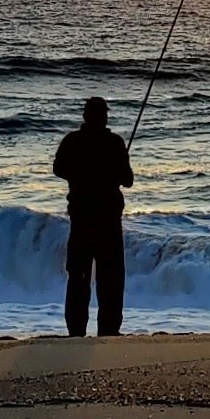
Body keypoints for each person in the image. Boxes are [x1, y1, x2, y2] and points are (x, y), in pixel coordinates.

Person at [52, 95, 134, 336]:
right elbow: (128, 180)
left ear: (85, 116)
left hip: (81, 218)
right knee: (110, 278)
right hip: (107, 220)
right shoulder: (114, 143)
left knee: (78, 276)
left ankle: (76, 330)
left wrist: (80, 174)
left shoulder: (73, 141)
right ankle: (109, 330)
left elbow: (58, 169)